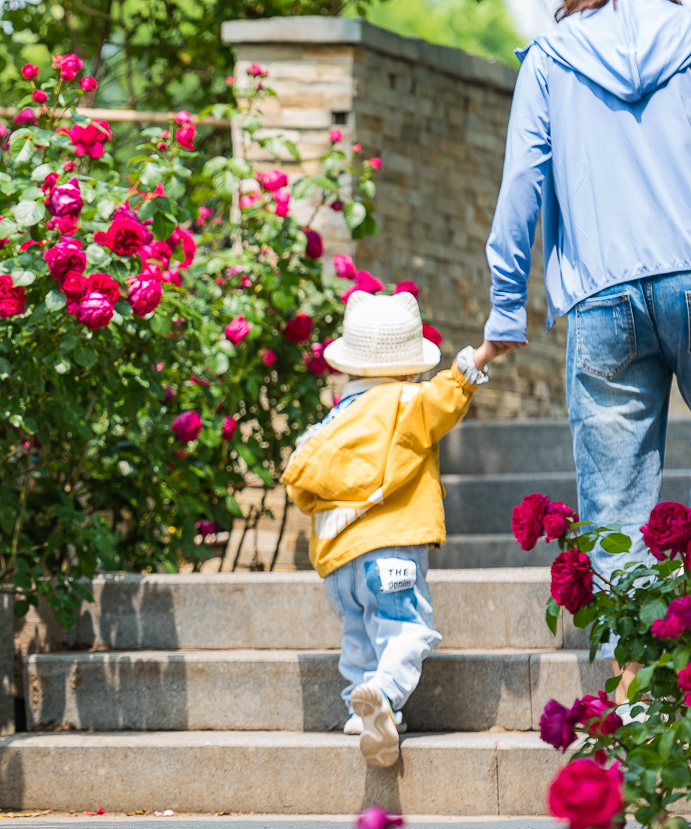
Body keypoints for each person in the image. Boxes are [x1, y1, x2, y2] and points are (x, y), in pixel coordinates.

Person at [486, 0, 691, 606]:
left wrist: (505, 306)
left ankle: (631, 698)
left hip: (603, 299)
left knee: (617, 521)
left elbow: (522, 183)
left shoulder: (551, 58)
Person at [282, 291, 505, 767]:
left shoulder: (332, 423)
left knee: (359, 635)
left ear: (350, 366)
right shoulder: (407, 401)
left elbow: (301, 484)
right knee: (406, 629)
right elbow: (447, 395)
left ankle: (361, 709)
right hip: (392, 554)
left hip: (339, 564)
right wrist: (482, 355)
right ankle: (382, 694)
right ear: (409, 366)